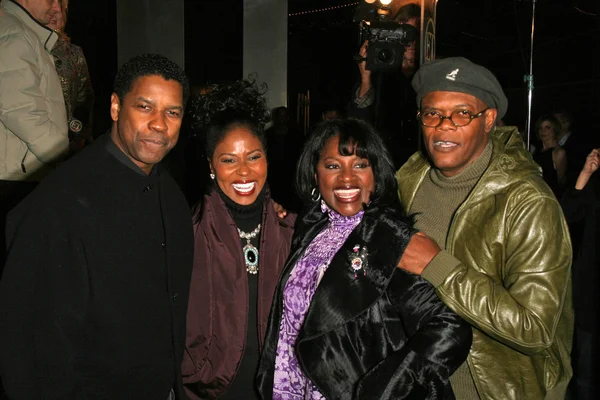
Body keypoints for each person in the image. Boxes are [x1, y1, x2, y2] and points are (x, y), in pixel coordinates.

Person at [0, 54, 193, 400]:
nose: (160, 124)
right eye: (145, 107)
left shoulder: (172, 194)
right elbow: (28, 339)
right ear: (116, 107)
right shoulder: (61, 200)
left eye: (172, 112)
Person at [396, 57, 573, 399]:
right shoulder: (409, 179)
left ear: (489, 119)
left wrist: (438, 266)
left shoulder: (527, 202)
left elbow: (535, 328)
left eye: (462, 113)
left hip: (490, 389)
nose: (444, 125)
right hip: (413, 381)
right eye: (432, 113)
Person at [257, 119, 472, 399]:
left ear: (376, 173)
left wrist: (386, 388)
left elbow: (449, 328)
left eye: (360, 165)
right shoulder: (311, 229)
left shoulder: (387, 237)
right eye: (333, 166)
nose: (347, 178)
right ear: (314, 174)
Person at [182, 80, 296, 400]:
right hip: (208, 391)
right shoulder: (186, 234)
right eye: (229, 160)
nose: (244, 172)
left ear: (267, 160)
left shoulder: (294, 233)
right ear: (211, 166)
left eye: (253, 157)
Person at [0, 0, 68, 264]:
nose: (55, 6)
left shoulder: (19, 31)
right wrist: (64, 157)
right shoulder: (13, 32)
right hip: (16, 180)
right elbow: (22, 112)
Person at [348, 3, 421, 169]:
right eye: (404, 36)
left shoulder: (430, 75)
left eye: (414, 36)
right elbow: (358, 126)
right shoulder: (382, 76)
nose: (410, 44)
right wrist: (366, 77)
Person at [560, 148, 600, 400]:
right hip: (591, 291)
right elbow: (565, 214)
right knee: (585, 373)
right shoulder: (595, 187)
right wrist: (585, 173)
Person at [47, 0, 95, 154]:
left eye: (60, 7)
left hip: (69, 144)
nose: (55, 11)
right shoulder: (25, 49)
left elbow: (84, 100)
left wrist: (78, 136)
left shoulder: (74, 54)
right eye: (49, 6)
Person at [533, 114, 567, 197]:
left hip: (550, 197)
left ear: (555, 129)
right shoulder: (536, 151)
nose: (543, 131)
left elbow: (561, 181)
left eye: (547, 128)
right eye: (540, 128)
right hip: (536, 195)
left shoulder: (558, 153)